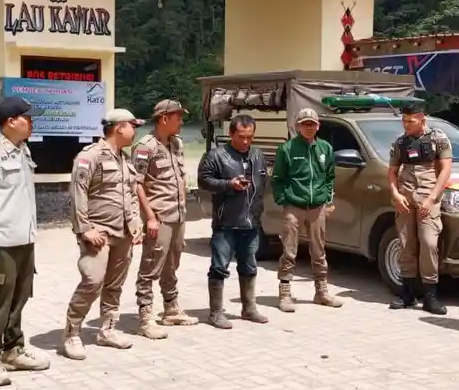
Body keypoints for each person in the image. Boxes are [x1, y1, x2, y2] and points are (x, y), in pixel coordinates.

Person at [0, 97, 49, 386]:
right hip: (0, 241)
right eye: (27, 118)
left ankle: (12, 350)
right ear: (10, 121)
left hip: (24, 239)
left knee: (19, 296)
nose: (32, 122)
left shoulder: (22, 150)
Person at [61, 108, 145, 359]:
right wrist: (85, 228)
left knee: (115, 284)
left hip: (124, 233)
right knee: (92, 281)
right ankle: (71, 332)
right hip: (99, 233)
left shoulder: (125, 158)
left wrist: (136, 222)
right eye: (133, 125)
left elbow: (130, 192)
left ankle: (107, 329)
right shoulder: (91, 156)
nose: (135, 130)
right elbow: (78, 192)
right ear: (119, 127)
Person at [132, 99, 198, 339]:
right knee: (151, 266)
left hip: (178, 215)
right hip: (159, 217)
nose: (181, 122)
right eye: (178, 117)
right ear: (164, 119)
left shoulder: (176, 143)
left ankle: (171, 309)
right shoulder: (145, 146)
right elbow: (136, 184)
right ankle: (145, 316)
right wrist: (149, 217)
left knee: (172, 263)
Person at [197, 115, 270, 328]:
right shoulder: (215, 156)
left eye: (250, 137)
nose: (246, 141)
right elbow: (204, 181)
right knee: (219, 267)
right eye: (241, 137)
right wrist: (229, 184)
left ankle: (249, 308)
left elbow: (262, 181)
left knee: (249, 266)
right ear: (231, 134)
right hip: (226, 222)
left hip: (251, 223)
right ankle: (216, 312)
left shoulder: (258, 155)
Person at [272, 108, 341, 312]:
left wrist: (327, 198)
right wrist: (284, 200)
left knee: (319, 250)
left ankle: (321, 292)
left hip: (317, 206)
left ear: (318, 126)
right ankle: (285, 292)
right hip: (294, 206)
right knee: (290, 250)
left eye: (312, 124)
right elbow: (277, 179)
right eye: (305, 124)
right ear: (298, 126)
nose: (309, 127)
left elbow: (329, 176)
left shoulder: (325, 148)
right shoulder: (287, 149)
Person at [386, 103, 452, 315]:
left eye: (410, 121)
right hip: (405, 196)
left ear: (422, 120)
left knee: (429, 243)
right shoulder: (400, 143)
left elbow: (445, 170)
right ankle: (407, 293)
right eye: (404, 120)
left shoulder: (438, 139)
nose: (406, 124)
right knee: (406, 243)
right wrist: (395, 194)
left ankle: (430, 295)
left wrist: (432, 199)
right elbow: (392, 171)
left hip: (427, 196)